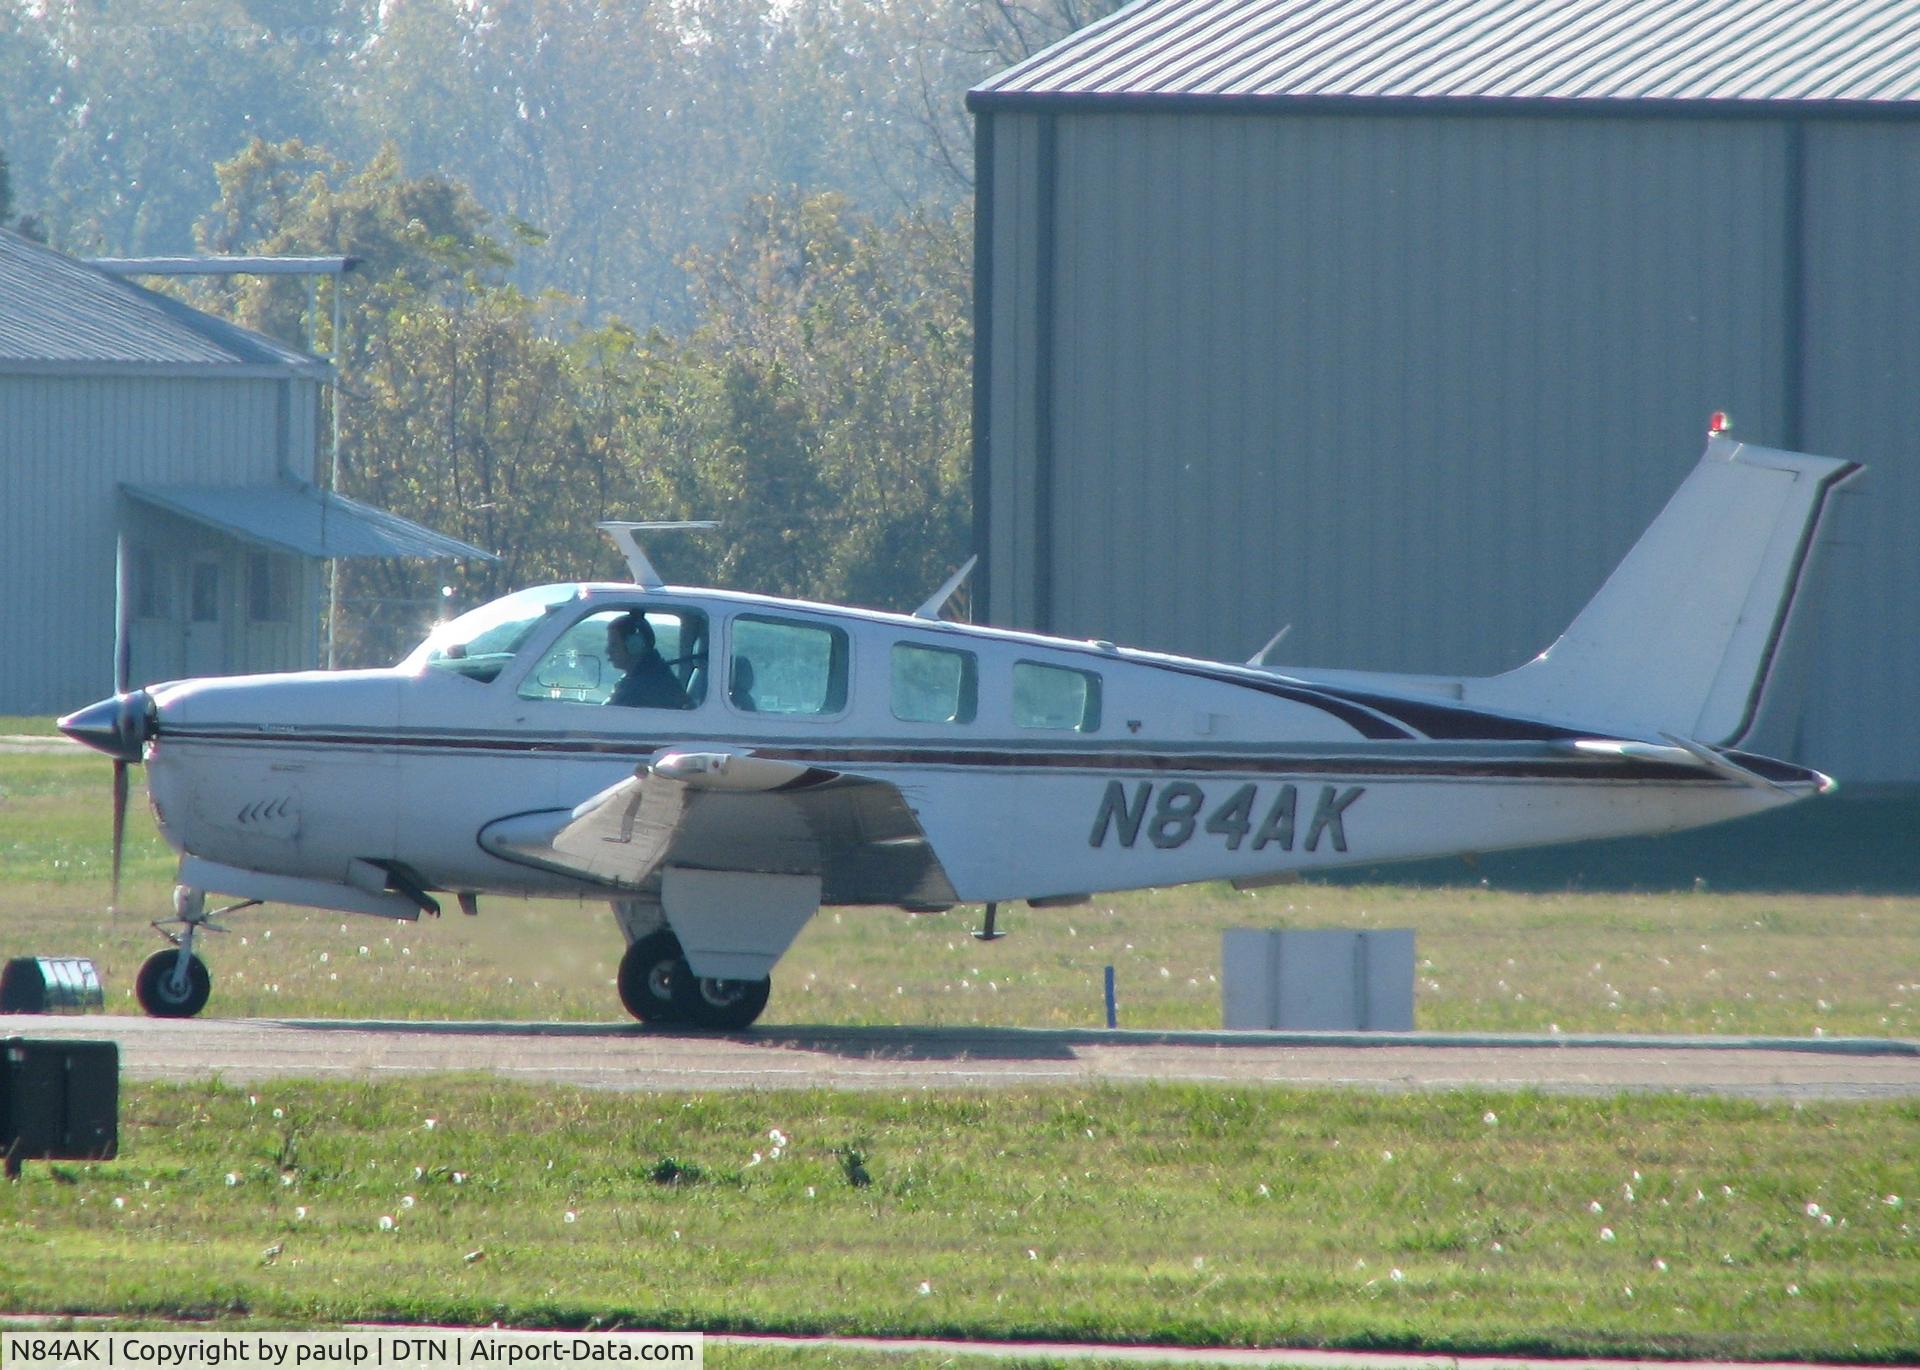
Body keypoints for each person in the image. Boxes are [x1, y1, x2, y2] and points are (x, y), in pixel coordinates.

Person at [605, 612, 687, 709]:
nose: (607, 651)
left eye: (614, 645)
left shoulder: (646, 688)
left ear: (634, 645)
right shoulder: (649, 675)